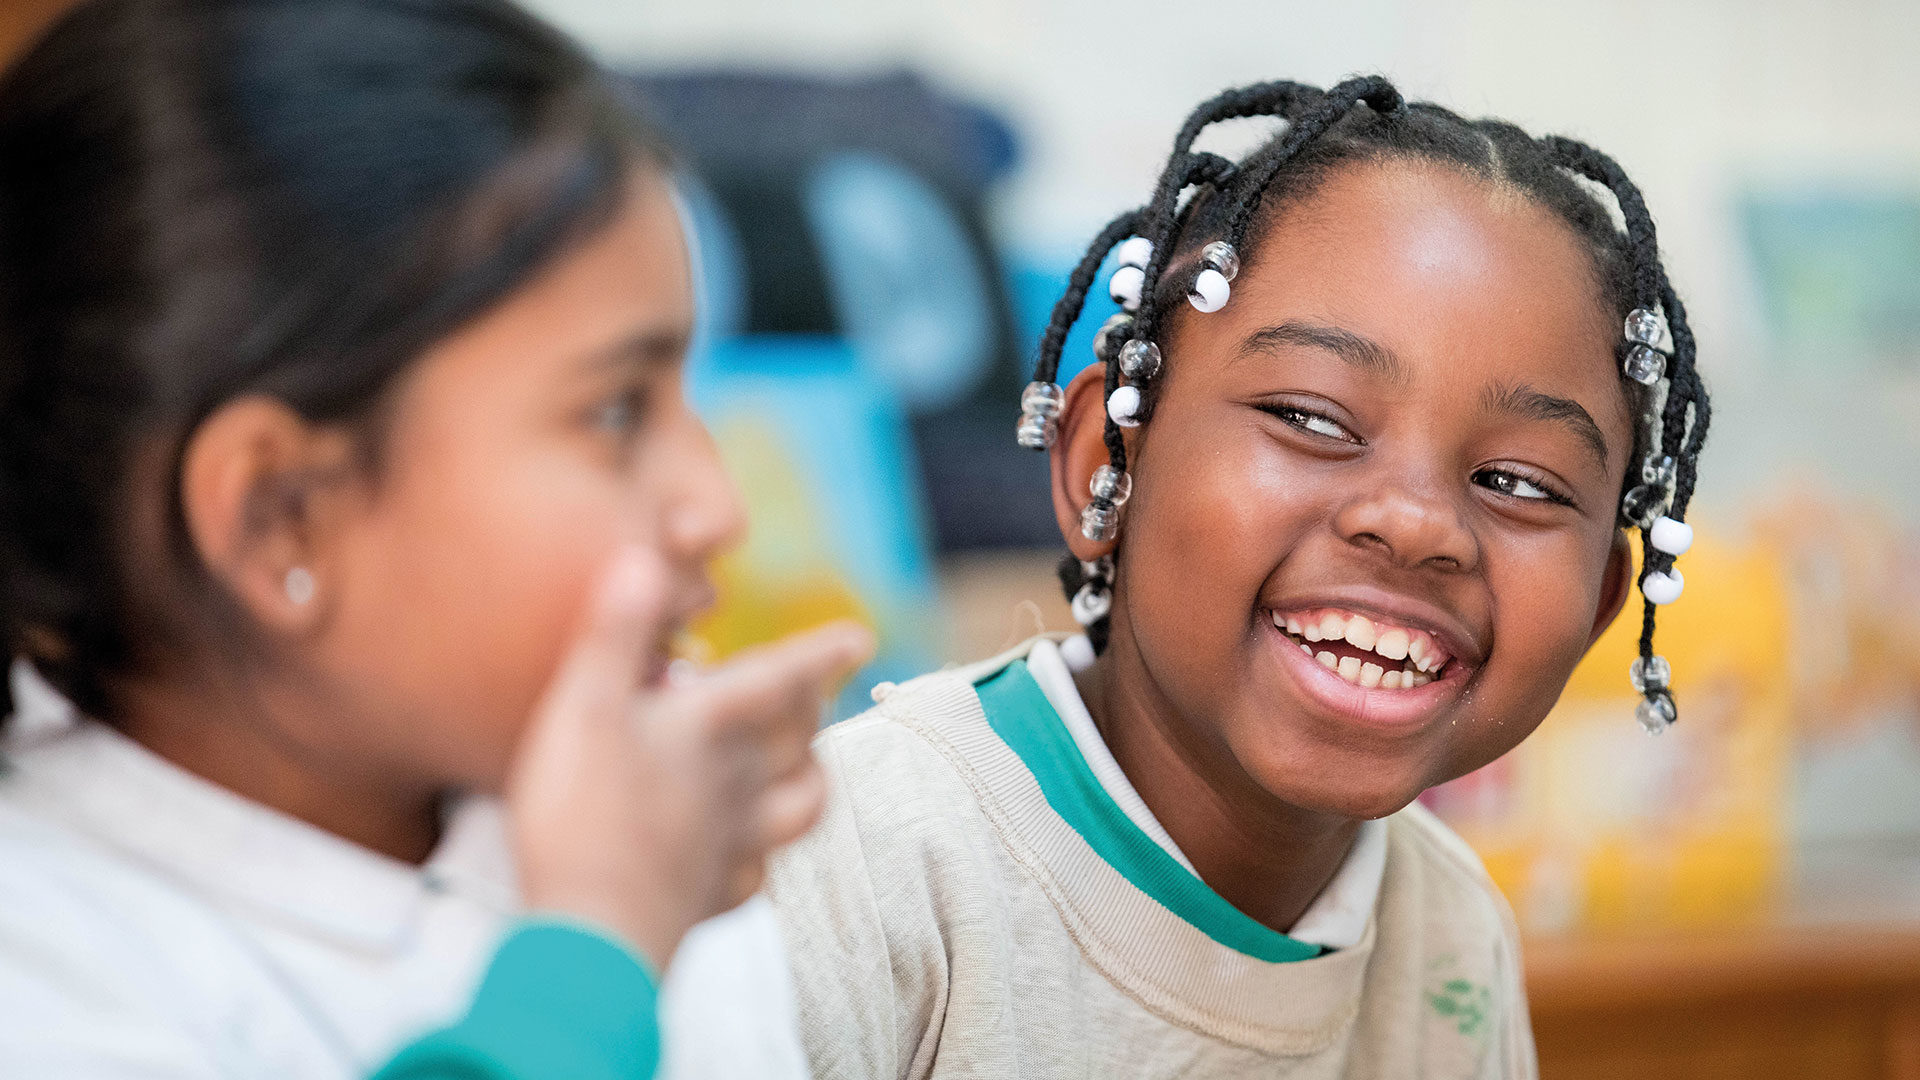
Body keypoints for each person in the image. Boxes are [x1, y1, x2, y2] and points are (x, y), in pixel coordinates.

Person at [765, 76, 1709, 1078]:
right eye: (1310, 418)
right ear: (1107, 467)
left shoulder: (1449, 935)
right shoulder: (858, 868)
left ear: (1603, 604)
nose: (1417, 524)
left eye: (1519, 481)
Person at [0, 1, 869, 1077]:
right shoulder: (43, 979)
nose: (715, 507)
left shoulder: (657, 850)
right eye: (614, 411)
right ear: (283, 517)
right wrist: (596, 948)